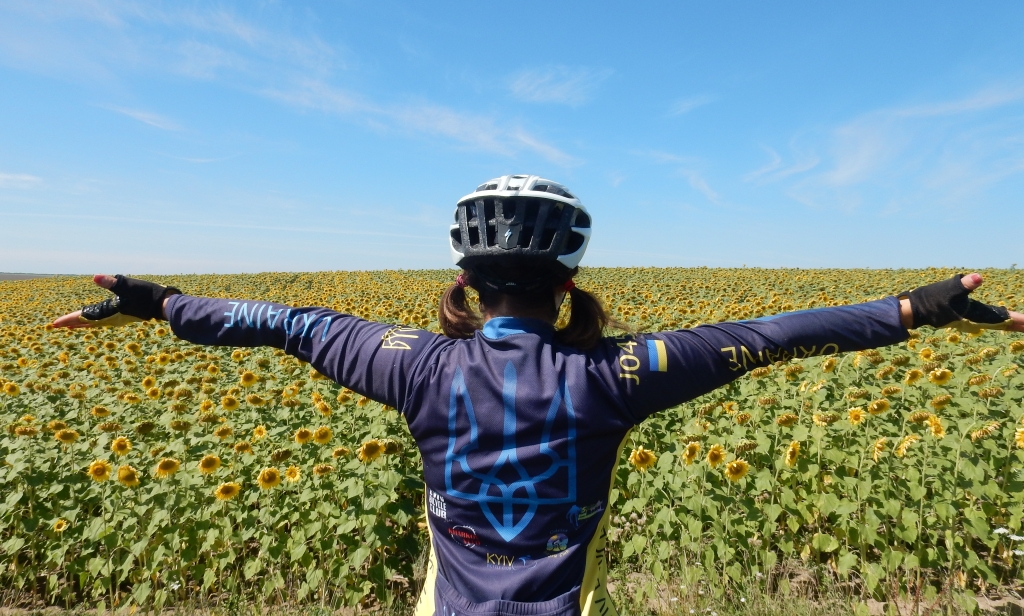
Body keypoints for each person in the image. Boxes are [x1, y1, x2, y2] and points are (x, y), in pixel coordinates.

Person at [54, 174, 1023, 616]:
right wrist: (914, 309)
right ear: (568, 285)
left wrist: (159, 303)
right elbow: (770, 337)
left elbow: (290, 324)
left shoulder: (412, 364)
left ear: (466, 284)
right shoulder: (620, 373)